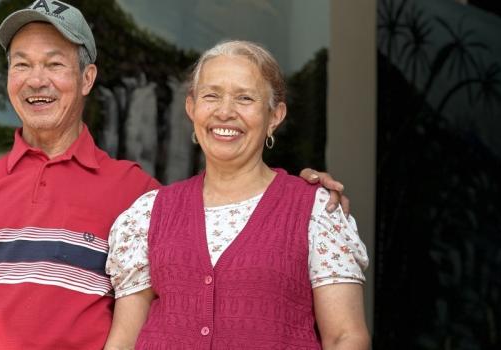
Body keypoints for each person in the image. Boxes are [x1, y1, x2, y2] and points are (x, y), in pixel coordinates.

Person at [0, 1, 349, 349]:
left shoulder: (138, 195)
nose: (36, 80)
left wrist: (302, 198)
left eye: (55, 64)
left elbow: (218, 225)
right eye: (21, 64)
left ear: (87, 78)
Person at [104, 40, 370, 350]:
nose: (225, 112)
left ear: (275, 115)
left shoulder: (315, 211)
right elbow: (124, 340)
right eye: (211, 96)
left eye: (244, 98)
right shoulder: (148, 215)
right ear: (191, 108)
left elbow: (345, 337)